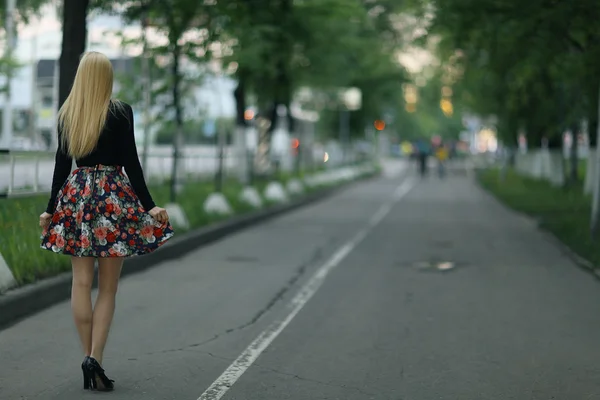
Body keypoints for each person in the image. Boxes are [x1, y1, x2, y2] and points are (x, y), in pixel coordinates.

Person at [38, 51, 175, 392]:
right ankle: (95, 357)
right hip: (113, 197)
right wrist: (150, 206)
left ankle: (88, 356)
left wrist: (50, 209)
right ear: (107, 78)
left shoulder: (67, 114)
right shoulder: (120, 111)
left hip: (77, 196)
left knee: (80, 283)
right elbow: (132, 162)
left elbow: (61, 166)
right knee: (108, 288)